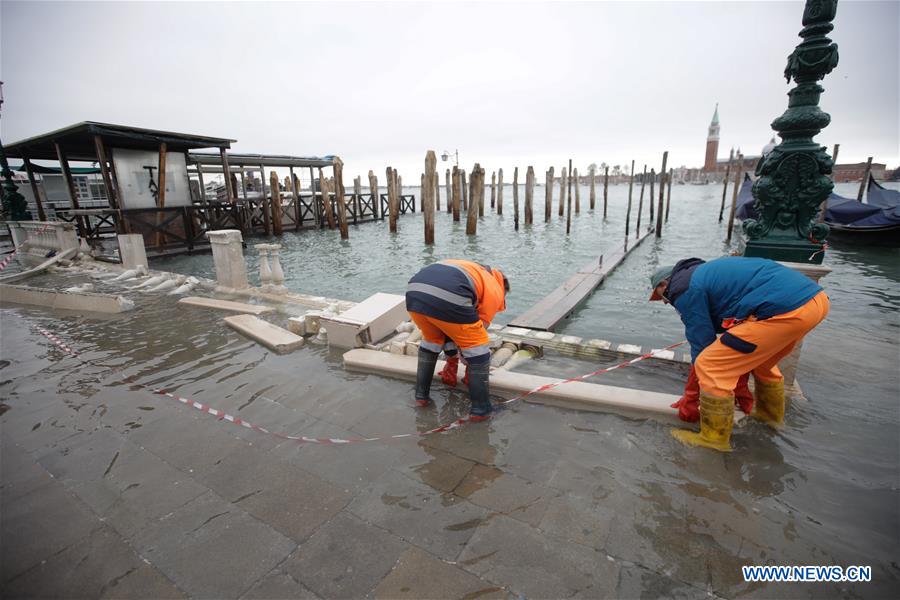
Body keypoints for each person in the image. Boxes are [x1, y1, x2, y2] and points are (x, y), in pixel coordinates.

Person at [650, 256, 829, 451]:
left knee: (710, 365)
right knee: (762, 364)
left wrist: (691, 399)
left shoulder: (682, 289)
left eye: (661, 296)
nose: (665, 302)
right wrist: (739, 388)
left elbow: (702, 347)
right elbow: (740, 354)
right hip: (814, 303)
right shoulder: (705, 275)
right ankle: (770, 419)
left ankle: (713, 439)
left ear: (664, 283)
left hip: (783, 310)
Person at [406, 259, 509, 421]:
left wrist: (452, 361)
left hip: (414, 292)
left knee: (432, 340)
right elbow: (472, 338)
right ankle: (481, 410)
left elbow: (450, 328)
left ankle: (421, 397)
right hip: (450, 294)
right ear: (504, 287)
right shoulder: (495, 288)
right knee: (478, 347)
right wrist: (470, 366)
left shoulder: (472, 269)